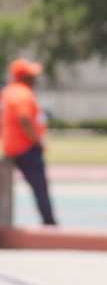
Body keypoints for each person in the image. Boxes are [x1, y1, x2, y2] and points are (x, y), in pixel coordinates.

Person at [2, 59, 56, 226]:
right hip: (26, 148)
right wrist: (37, 141)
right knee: (40, 187)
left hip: (12, 147)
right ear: (25, 77)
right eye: (32, 76)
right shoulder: (22, 94)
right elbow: (24, 119)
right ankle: (49, 223)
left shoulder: (8, 92)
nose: (35, 79)